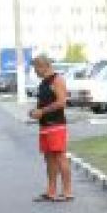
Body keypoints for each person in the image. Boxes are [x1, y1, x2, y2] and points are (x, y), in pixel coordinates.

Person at [28, 54, 71, 201]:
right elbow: (44, 103)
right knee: (49, 160)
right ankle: (51, 191)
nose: (35, 72)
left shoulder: (57, 80)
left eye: (35, 68)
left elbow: (61, 102)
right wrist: (35, 111)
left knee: (60, 157)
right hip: (45, 126)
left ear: (43, 66)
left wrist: (42, 111)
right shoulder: (44, 83)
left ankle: (67, 192)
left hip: (56, 125)